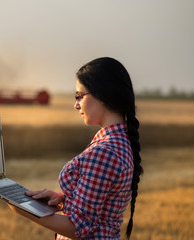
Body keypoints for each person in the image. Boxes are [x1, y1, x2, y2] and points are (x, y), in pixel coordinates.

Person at [8, 57, 143, 239]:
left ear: (102, 95)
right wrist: (67, 199)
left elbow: (77, 228)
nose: (75, 104)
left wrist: (24, 210)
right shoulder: (121, 142)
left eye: (79, 96)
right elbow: (100, 209)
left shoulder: (105, 152)